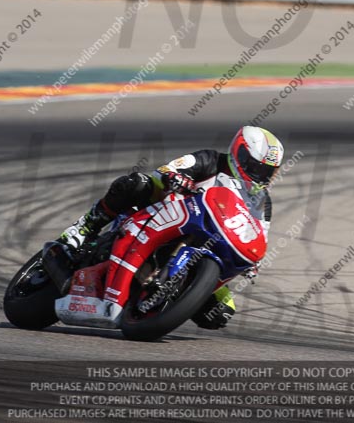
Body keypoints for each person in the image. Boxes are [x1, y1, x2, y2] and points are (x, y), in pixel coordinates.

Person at [57, 126, 284, 330]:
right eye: (255, 167)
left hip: (209, 245)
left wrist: (254, 263)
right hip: (164, 214)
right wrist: (174, 177)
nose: (259, 175)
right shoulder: (210, 160)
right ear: (239, 153)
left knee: (219, 313)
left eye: (266, 171)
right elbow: (167, 170)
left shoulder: (262, 202)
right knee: (137, 184)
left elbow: (258, 234)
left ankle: (161, 301)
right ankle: (86, 226)